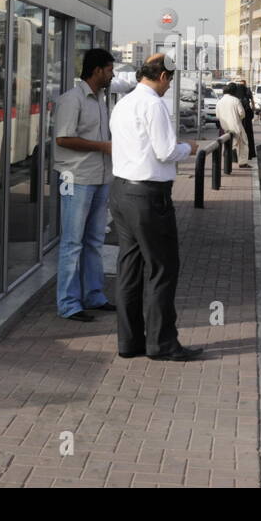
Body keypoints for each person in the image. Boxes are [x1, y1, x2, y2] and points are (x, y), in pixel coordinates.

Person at [108, 54, 202, 361]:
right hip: (149, 196)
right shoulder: (153, 105)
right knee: (162, 269)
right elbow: (165, 151)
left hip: (122, 191)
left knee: (129, 269)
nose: (170, 85)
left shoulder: (123, 103)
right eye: (170, 80)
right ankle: (162, 344)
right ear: (162, 76)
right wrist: (190, 147)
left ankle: (129, 342)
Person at [52, 48, 117, 322]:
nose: (112, 74)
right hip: (76, 179)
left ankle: (93, 295)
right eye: (110, 69)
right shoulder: (72, 99)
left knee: (94, 240)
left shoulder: (101, 100)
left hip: (100, 178)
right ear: (97, 70)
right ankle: (68, 303)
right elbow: (63, 139)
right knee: (72, 243)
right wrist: (102, 146)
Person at [216, 82, 249, 166]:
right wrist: (238, 119)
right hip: (236, 126)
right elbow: (242, 114)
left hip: (225, 127)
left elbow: (218, 116)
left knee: (228, 145)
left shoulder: (219, 102)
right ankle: (243, 162)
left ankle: (227, 163)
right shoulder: (235, 100)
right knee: (243, 144)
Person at [234, 79, 257, 160]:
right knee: (247, 139)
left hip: (239, 124)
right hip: (247, 125)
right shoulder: (245, 99)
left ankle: (237, 157)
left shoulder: (236, 99)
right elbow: (250, 114)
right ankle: (249, 155)